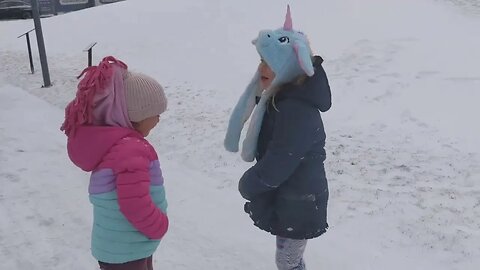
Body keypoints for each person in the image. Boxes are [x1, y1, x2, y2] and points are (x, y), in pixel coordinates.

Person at [224, 6, 332, 270]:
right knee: (288, 259)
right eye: (260, 60)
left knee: (287, 261)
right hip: (292, 196)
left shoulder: (296, 108)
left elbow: (283, 157)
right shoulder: (280, 98)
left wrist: (251, 183)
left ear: (289, 68)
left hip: (300, 199)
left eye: (268, 63)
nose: (261, 67)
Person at [61, 56, 169, 270]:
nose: (158, 119)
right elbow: (133, 202)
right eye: (155, 113)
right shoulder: (130, 149)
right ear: (136, 116)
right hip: (127, 250)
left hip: (124, 247)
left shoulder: (118, 146)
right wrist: (159, 225)